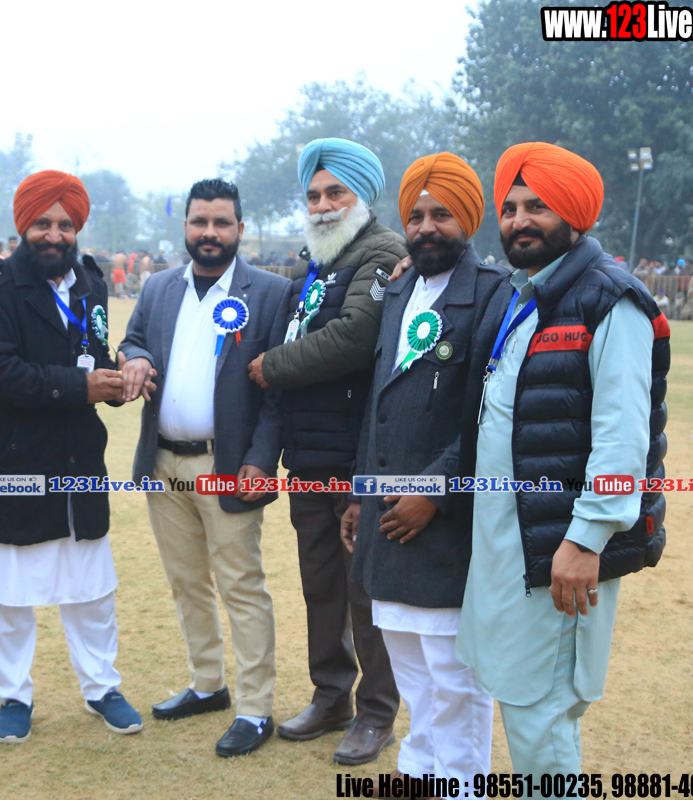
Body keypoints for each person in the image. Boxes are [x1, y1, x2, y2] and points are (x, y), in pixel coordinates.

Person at [455, 142, 669, 774]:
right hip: (508, 542)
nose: (519, 220)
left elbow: (623, 439)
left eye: (538, 206)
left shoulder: (611, 300)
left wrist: (585, 540)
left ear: (574, 215)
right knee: (520, 700)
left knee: (541, 713)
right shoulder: (524, 296)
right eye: (510, 208)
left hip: (560, 549)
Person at [343, 152, 505, 782]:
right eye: (415, 216)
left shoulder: (493, 294)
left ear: (469, 220)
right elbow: (377, 405)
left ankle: (462, 784)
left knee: (453, 676)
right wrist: (360, 494)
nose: (427, 227)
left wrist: (434, 493)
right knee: (409, 667)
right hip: (386, 515)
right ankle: (418, 773)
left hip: (444, 524)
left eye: (442, 215)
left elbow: (488, 416)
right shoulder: (399, 290)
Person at [0, 170, 144, 745]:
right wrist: (81, 387)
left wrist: (121, 378)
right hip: (12, 461)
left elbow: (93, 355)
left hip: (78, 461)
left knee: (92, 587)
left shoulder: (90, 283)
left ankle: (102, 688)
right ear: (24, 225)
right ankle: (13, 696)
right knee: (8, 592)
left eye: (65, 225)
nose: (54, 234)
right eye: (42, 223)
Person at [119, 178, 291, 757]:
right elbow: (134, 339)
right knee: (186, 581)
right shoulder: (159, 286)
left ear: (239, 229)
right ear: (186, 226)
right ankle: (207, 684)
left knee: (241, 585)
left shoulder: (271, 292)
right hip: (164, 462)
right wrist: (135, 358)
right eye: (199, 222)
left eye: (221, 223)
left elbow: (279, 392)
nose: (209, 232)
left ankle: (255, 708)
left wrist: (261, 460)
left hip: (229, 466)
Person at [244, 138, 403, 764]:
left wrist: (273, 365)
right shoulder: (312, 266)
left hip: (360, 458)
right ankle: (331, 696)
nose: (322, 204)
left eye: (336, 192)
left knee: (364, 591)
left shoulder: (382, 252)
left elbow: (355, 335)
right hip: (309, 459)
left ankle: (376, 712)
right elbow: (297, 349)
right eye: (313, 195)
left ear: (363, 196)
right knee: (322, 589)